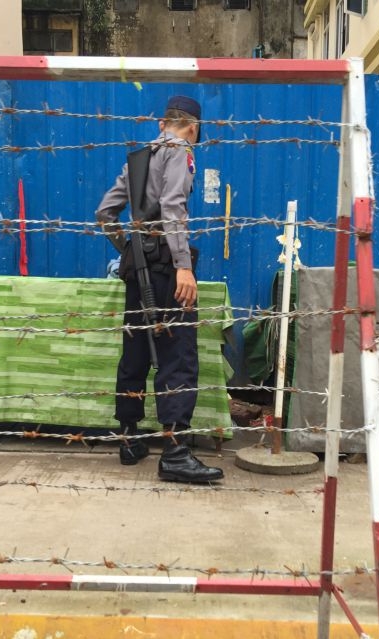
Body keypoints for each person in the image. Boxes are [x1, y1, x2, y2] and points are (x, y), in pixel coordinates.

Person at [95, 95, 224, 483]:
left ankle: (129, 438)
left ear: (162, 122)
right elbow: (172, 207)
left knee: (135, 350)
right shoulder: (181, 149)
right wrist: (183, 266)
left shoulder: (138, 159)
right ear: (193, 127)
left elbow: (105, 213)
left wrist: (132, 249)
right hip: (167, 270)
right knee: (177, 354)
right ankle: (176, 452)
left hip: (139, 270)